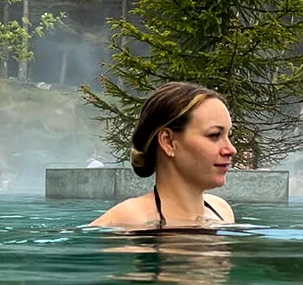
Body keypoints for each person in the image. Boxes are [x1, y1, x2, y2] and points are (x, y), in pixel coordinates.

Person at [89, 82, 236, 230]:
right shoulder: (127, 221)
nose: (231, 149)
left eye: (228, 135)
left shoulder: (222, 212)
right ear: (168, 142)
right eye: (214, 135)